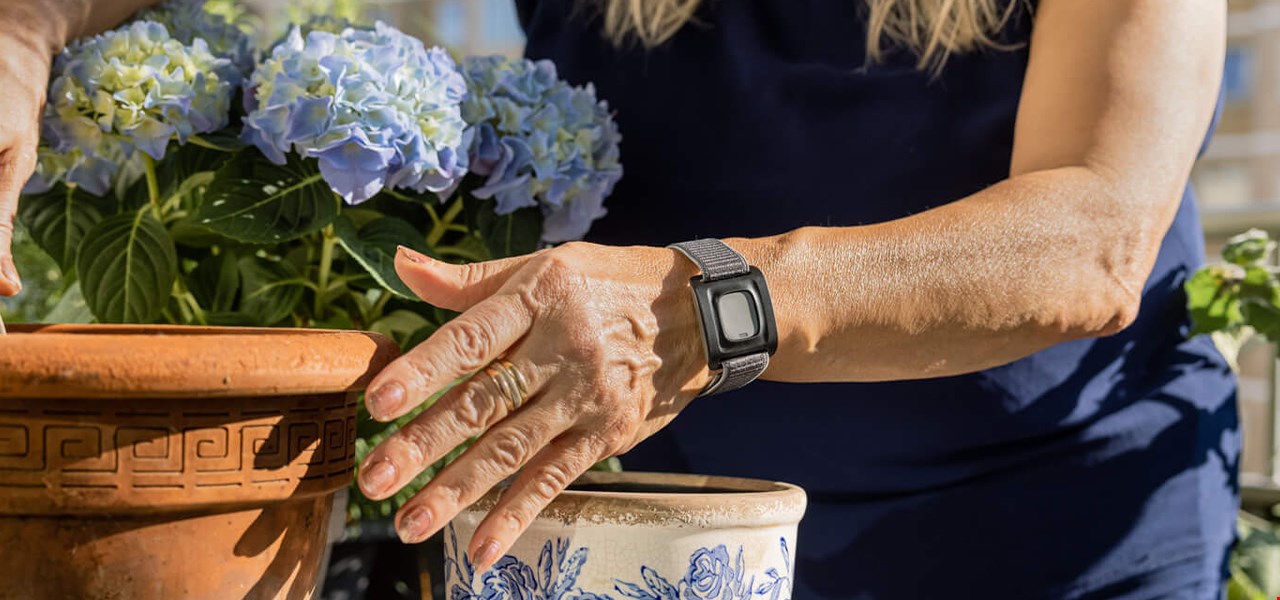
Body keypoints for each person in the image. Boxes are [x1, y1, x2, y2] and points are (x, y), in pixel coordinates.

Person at [0, 0, 1234, 597]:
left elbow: (1089, 238)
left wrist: (699, 308)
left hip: (1054, 533)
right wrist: (21, 35)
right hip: (672, 533)